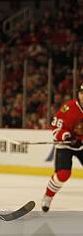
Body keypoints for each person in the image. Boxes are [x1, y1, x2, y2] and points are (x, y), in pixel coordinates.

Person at [41, 83, 83, 212]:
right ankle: (48, 196)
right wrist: (66, 136)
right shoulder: (69, 108)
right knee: (63, 174)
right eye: (82, 93)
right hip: (65, 145)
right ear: (79, 94)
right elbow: (55, 127)